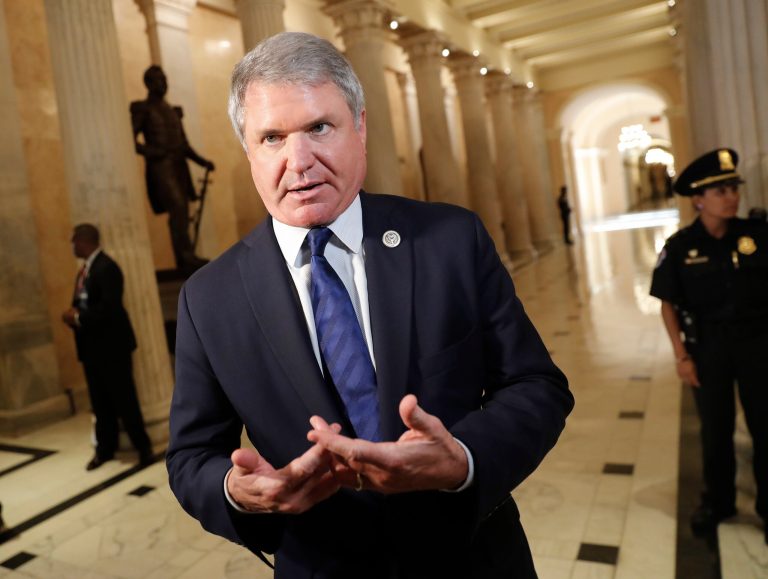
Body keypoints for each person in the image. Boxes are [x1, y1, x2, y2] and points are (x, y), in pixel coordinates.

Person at [166, 32, 573, 578]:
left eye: (318, 127)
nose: (298, 160)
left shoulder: (450, 240)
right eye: (271, 138)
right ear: (248, 151)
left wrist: (463, 459)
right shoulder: (208, 298)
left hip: (471, 558)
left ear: (360, 127)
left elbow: (536, 385)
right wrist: (238, 492)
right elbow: (191, 457)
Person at [650, 149, 768, 544]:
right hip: (708, 349)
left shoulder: (757, 236)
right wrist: (681, 355)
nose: (731, 197)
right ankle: (718, 502)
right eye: (721, 191)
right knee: (715, 432)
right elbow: (668, 303)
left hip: (756, 346)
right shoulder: (681, 246)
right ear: (698, 199)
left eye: (733, 188)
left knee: (765, 427)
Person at [62, 224, 154, 471]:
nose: (72, 246)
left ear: (84, 241)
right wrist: (73, 315)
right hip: (91, 349)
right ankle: (105, 449)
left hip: (112, 348)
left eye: (74, 241)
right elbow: (82, 302)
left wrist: (78, 317)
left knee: (125, 400)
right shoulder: (85, 270)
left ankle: (143, 447)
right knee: (100, 403)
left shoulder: (107, 267)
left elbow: (110, 308)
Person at [130, 65, 214, 270]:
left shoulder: (172, 111)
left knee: (183, 210)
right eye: (159, 80)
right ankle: (184, 257)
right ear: (149, 83)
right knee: (176, 207)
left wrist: (202, 161)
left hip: (179, 166)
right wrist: (152, 152)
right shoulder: (142, 108)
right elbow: (129, 139)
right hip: (161, 167)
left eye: (165, 79)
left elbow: (184, 144)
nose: (163, 84)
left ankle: (186, 256)